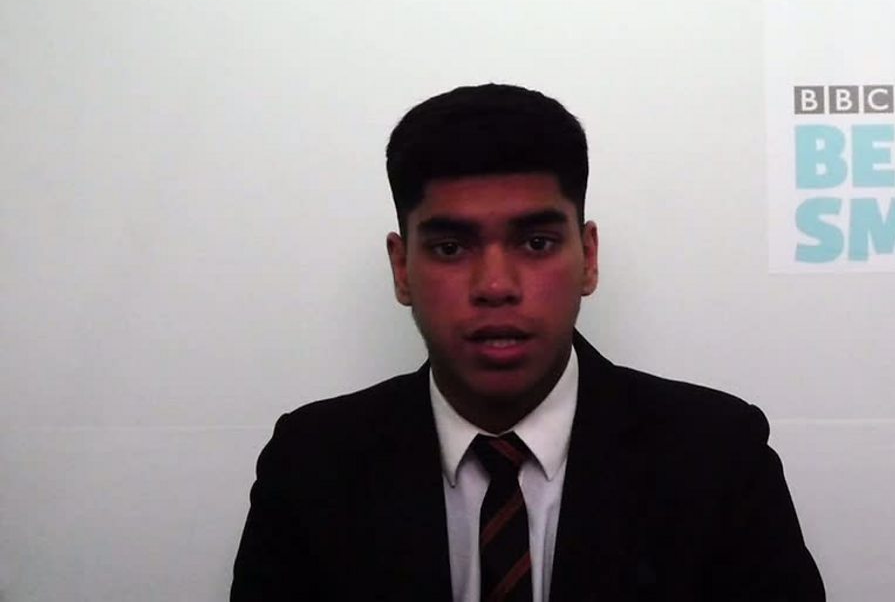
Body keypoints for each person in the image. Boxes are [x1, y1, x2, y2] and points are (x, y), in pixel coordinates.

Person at [231, 84, 824, 601]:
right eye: (450, 248)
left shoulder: (717, 459)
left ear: (588, 257)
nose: (495, 286)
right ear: (401, 268)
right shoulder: (311, 466)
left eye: (536, 243)